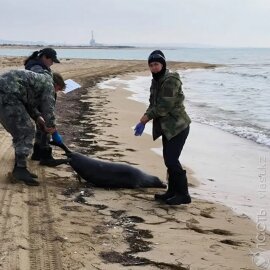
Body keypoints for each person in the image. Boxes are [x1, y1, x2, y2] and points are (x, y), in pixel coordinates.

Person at [134, 50, 191, 205]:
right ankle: (172, 191)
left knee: (172, 160)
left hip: (178, 126)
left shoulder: (171, 80)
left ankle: (183, 194)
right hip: (167, 128)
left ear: (163, 64)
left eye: (156, 64)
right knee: (169, 160)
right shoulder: (156, 81)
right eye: (151, 65)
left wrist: (144, 120)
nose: (154, 68)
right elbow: (153, 104)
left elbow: (164, 106)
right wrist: (144, 119)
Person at [0, 70, 66, 186]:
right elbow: (48, 108)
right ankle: (20, 169)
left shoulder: (38, 80)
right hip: (7, 95)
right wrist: (52, 127)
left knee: (22, 131)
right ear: (56, 85)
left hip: (7, 93)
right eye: (58, 90)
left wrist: (38, 118)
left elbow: (28, 104)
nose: (56, 92)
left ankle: (20, 168)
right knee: (26, 130)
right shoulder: (48, 84)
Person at [24, 48, 65, 167]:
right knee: (46, 125)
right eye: (52, 61)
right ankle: (46, 156)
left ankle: (37, 153)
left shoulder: (39, 66)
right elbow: (44, 84)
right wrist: (53, 128)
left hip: (35, 99)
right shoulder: (36, 68)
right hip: (36, 99)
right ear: (45, 57)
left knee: (41, 125)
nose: (52, 63)